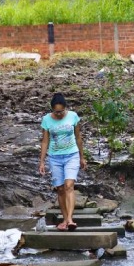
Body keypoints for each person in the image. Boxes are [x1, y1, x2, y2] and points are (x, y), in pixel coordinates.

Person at [38, 92, 86, 230]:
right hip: (54, 157)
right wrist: (42, 161)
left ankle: (70, 220)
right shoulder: (46, 120)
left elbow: (78, 138)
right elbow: (45, 141)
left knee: (69, 185)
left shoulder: (73, 116)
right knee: (60, 189)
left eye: (61, 111)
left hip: (72, 155)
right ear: (52, 109)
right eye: (56, 112)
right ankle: (65, 220)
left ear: (66, 108)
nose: (59, 114)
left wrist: (82, 157)